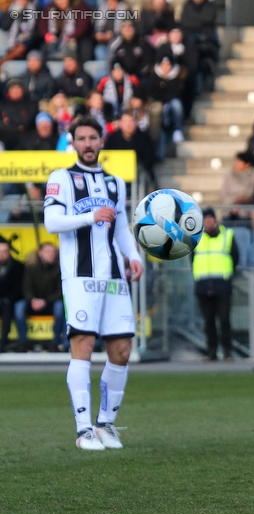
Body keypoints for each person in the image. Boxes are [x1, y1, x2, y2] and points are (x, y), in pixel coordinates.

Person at [42, 115, 145, 450]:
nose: (87, 144)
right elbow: (51, 222)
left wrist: (134, 256)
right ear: (73, 142)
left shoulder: (116, 182)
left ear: (102, 141)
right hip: (80, 277)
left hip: (115, 276)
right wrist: (89, 216)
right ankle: (83, 429)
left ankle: (105, 425)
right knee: (83, 346)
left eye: (93, 138)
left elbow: (119, 229)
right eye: (81, 138)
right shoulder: (61, 178)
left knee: (122, 351)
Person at [192, 208, 239, 361]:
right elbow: (193, 258)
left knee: (224, 319)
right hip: (203, 285)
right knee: (208, 321)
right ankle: (211, 351)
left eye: (210, 219)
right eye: (205, 219)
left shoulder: (227, 235)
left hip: (222, 284)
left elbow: (235, 257)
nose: (208, 222)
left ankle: (227, 351)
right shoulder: (196, 237)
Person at [15, 242, 66, 351]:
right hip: (33, 301)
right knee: (19, 307)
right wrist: (32, 300)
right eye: (48, 251)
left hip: (51, 302)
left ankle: (56, 341)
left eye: (53, 252)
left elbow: (60, 291)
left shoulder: (60, 268)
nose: (51, 254)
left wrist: (45, 301)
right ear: (40, 253)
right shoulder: (31, 268)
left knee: (60, 307)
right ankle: (22, 342)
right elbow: (26, 288)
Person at [0, 239, 25, 352]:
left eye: (5, 251)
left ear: (9, 252)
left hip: (12, 299)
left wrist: (8, 299)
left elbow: (20, 288)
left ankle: (4, 341)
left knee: (7, 307)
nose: (2, 254)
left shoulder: (18, 266)